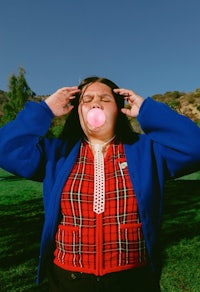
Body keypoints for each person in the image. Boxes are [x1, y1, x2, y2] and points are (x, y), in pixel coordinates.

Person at [0, 76, 200, 292]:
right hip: (68, 280)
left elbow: (195, 146)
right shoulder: (56, 153)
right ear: (78, 111)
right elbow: (6, 149)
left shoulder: (146, 150)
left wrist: (147, 110)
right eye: (87, 99)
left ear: (118, 109)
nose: (96, 103)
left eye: (105, 99)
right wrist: (45, 110)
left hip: (133, 280)